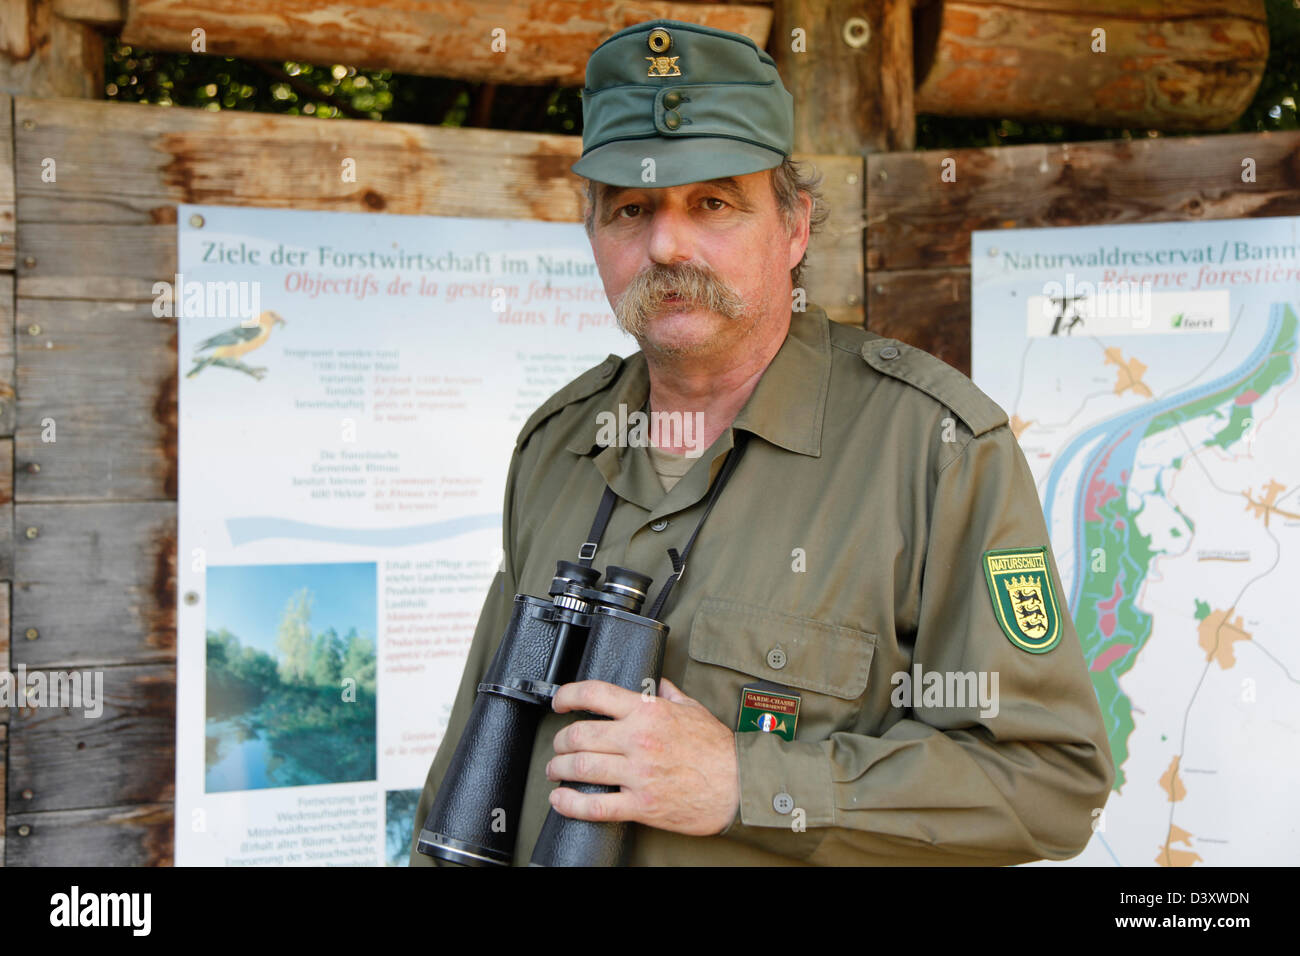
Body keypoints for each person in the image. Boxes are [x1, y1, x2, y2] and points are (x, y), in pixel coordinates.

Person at [409, 18, 1114, 866]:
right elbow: (473, 755)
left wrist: (748, 781)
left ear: (795, 226)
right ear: (591, 229)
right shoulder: (558, 444)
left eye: (712, 202)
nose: (666, 244)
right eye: (632, 208)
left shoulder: (934, 450)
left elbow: (1049, 782)